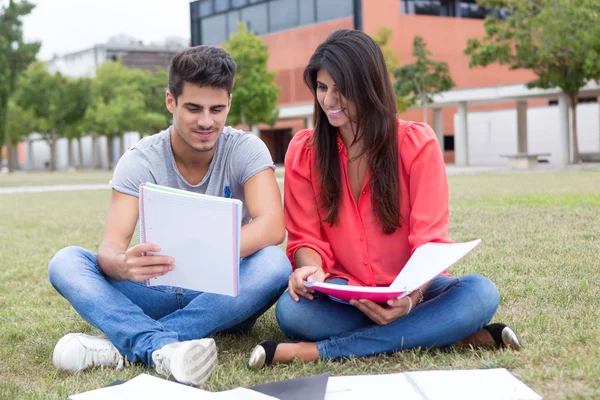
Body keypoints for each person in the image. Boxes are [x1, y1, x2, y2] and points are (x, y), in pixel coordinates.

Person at [247, 29, 520, 368]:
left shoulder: (416, 144)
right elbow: (306, 239)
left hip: (415, 292)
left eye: (341, 89)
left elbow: (429, 241)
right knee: (293, 313)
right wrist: (310, 270)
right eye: (322, 87)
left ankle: (316, 352)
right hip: (344, 294)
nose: (329, 101)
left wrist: (410, 300)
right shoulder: (304, 152)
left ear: (369, 86)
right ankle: (453, 335)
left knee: (481, 293)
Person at [48, 45, 291, 385]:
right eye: (193, 108)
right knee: (66, 261)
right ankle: (161, 346)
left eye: (216, 109)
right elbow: (109, 248)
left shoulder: (246, 149)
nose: (206, 121)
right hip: (154, 292)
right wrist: (122, 264)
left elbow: (272, 226)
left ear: (229, 104)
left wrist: (205, 252)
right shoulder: (140, 159)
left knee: (275, 264)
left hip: (222, 295)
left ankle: (129, 344)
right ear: (170, 102)